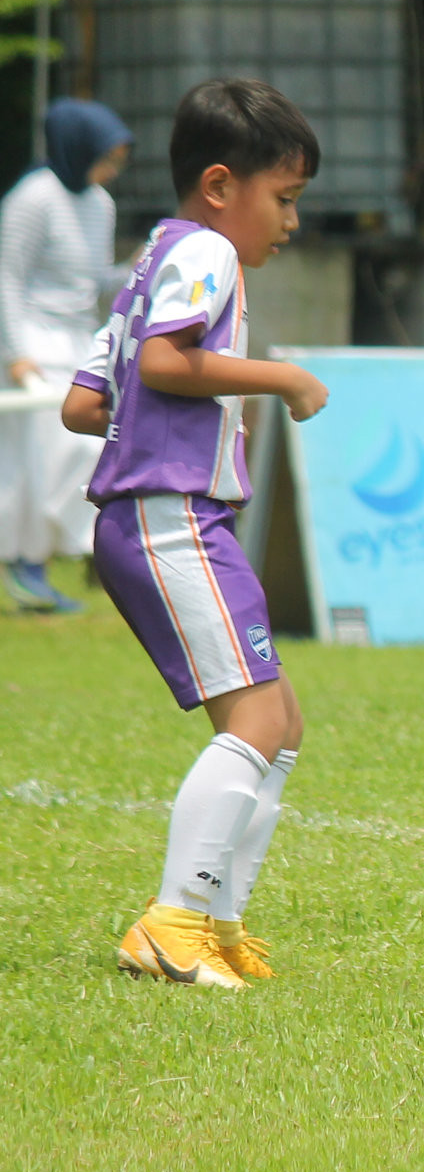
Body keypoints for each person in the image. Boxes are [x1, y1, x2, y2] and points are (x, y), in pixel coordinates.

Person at [61, 79, 328, 988]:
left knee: (281, 720)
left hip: (169, 516)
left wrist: (152, 416)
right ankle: (172, 924)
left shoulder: (153, 259)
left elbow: (83, 403)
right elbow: (165, 362)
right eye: (284, 197)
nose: (291, 221)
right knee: (257, 718)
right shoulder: (209, 252)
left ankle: (214, 922)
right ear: (220, 185)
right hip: (169, 516)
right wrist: (280, 378)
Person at [0, 99, 132, 613]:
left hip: (78, 344)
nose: (112, 170)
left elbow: (93, 281)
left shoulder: (100, 203)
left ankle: (47, 562)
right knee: (42, 460)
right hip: (34, 347)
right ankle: (27, 564)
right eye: (107, 157)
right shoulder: (32, 198)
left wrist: (142, 265)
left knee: (82, 452)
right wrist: (16, 353)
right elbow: (7, 277)